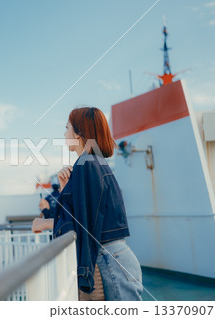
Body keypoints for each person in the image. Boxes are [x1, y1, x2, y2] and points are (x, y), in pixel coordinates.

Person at [32, 107, 143, 301]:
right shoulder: (94, 162)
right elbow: (86, 216)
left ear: (79, 133)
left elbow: (83, 225)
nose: (64, 133)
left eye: (67, 127)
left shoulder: (86, 164)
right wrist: (66, 188)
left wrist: (44, 223)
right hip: (116, 257)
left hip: (109, 260)